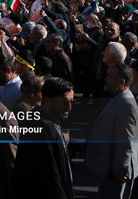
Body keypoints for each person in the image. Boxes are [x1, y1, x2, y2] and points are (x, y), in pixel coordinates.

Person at [11, 77, 74, 199]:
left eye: (71, 102)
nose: (69, 107)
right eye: (64, 102)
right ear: (47, 100)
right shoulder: (41, 128)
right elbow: (50, 177)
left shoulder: (52, 121)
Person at [85, 62, 138, 198]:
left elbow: (126, 139)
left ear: (121, 81)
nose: (106, 78)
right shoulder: (118, 97)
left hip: (117, 172)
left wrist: (121, 169)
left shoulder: (126, 103)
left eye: (109, 76)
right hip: (109, 167)